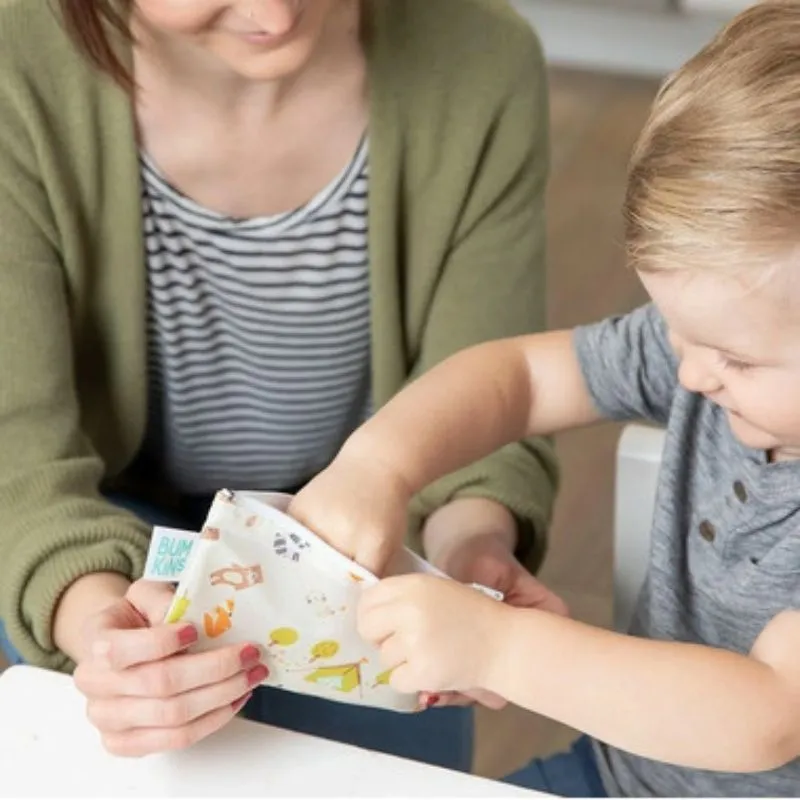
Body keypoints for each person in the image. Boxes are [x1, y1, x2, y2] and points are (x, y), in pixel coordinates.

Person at [0, 0, 560, 769]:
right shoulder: (14, 63)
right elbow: (19, 458)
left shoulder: (483, 61)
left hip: (366, 536)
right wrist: (100, 624)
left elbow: (489, 392)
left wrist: (469, 545)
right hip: (98, 516)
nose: (276, 10)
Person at [289, 2, 800, 795]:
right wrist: (378, 464)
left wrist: (501, 649)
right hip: (618, 776)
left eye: (732, 356)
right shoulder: (707, 353)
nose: (693, 374)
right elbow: (521, 378)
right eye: (677, 332)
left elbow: (768, 714)